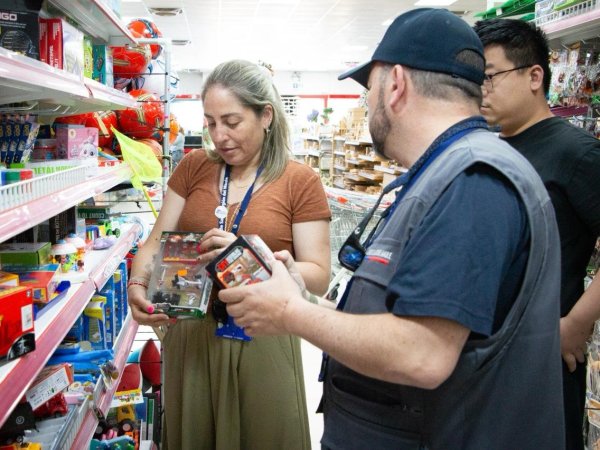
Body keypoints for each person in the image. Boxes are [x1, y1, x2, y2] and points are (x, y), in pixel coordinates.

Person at [218, 9, 565, 449]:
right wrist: (302, 297)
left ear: (396, 84)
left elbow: (422, 354)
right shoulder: (444, 173)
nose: (367, 105)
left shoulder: (472, 182)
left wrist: (291, 313)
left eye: (369, 91)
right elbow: (403, 313)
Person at [127, 59, 332, 450]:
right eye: (210, 122)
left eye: (232, 122)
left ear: (266, 116)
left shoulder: (299, 181)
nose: (219, 136)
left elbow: (319, 275)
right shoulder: (194, 167)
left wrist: (250, 257)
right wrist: (138, 283)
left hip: (263, 335)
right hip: (191, 335)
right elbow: (154, 243)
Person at [473, 18, 600, 450]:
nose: (481, 90)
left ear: (534, 76)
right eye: (475, 79)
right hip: (485, 355)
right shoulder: (487, 148)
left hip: (544, 356)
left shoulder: (576, 152)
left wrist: (577, 323)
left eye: (490, 76)